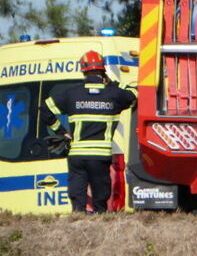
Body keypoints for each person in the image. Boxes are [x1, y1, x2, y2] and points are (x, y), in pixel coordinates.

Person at [41, 50, 137, 213]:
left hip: (77, 155)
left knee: (78, 198)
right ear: (103, 70)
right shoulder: (113, 94)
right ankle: (100, 218)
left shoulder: (72, 94)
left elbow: (45, 109)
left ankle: (78, 216)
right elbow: (134, 93)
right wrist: (113, 83)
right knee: (100, 199)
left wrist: (61, 131)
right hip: (100, 156)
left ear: (83, 71)